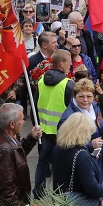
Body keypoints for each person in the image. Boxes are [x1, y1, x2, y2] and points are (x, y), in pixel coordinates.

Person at [0, 103, 42, 206]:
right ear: (12, 124)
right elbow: (6, 190)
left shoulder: (1, 135)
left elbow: (17, 154)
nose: (23, 122)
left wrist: (31, 138)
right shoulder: (2, 150)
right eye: (21, 119)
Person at [51, 114, 103, 206]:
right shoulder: (82, 156)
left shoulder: (58, 148)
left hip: (60, 204)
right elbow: (92, 188)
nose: (90, 137)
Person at [33, 50, 75, 197]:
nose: (71, 63)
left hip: (44, 131)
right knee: (61, 166)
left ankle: (38, 194)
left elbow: (35, 105)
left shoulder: (41, 81)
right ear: (62, 64)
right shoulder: (69, 85)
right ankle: (59, 197)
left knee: (42, 163)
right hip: (62, 134)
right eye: (69, 61)